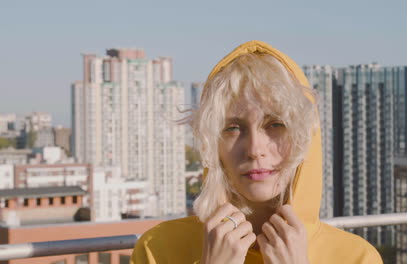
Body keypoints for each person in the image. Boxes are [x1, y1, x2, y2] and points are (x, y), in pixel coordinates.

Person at [130, 40, 383, 264]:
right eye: (232, 128)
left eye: (275, 125)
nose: (254, 150)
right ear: (211, 143)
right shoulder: (158, 249)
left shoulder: (358, 258)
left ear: (305, 136)